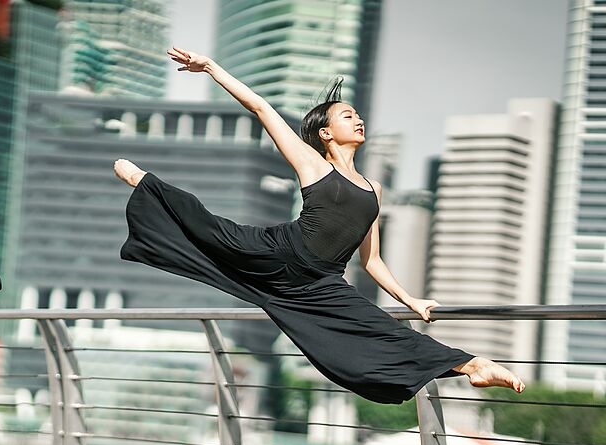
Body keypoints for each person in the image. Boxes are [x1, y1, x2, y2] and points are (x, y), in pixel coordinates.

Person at [114, 46, 525, 404]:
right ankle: (144, 183)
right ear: (326, 133)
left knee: (376, 327)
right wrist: (211, 68)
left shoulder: (373, 189)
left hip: (321, 283)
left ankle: (472, 366)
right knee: (208, 226)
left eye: (359, 115)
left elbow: (372, 261)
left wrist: (410, 302)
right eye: (349, 116)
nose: (358, 120)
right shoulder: (312, 165)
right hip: (279, 253)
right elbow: (261, 108)